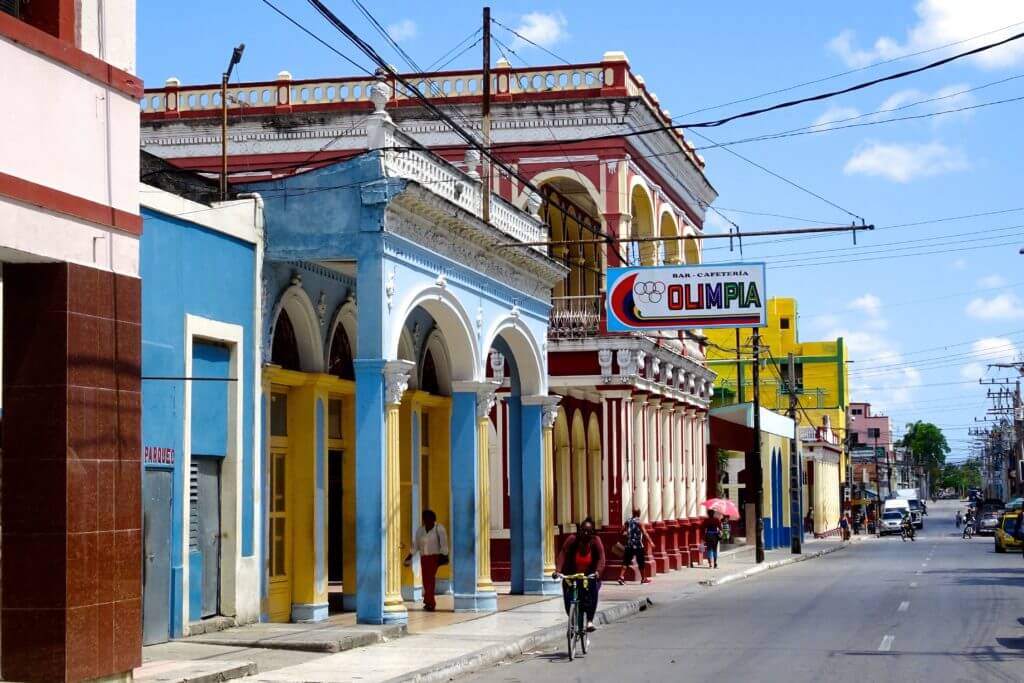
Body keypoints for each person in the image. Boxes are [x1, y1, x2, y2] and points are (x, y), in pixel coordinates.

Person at [555, 516, 606, 632]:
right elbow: (563, 553)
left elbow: (601, 558)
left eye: (588, 531)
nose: (585, 533)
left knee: (592, 594)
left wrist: (598, 572)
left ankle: (589, 621)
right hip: (572, 575)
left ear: (592, 532)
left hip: (589, 576)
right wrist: (558, 571)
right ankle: (572, 619)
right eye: (583, 530)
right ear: (580, 530)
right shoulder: (572, 540)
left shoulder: (595, 541)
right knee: (568, 598)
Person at [404, 509, 448, 612]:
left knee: (430, 580)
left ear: (433, 519)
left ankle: (431, 603)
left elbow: (444, 544)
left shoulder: (439, 529)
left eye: (429, 518)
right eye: (425, 518)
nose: (427, 520)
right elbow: (416, 545)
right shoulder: (420, 531)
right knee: (426, 580)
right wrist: (409, 556)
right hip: (424, 558)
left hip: (435, 557)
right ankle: (428, 601)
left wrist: (444, 555)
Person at [617, 507, 653, 585]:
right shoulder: (639, 522)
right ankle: (643, 578)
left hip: (629, 545)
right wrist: (651, 542)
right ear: (639, 513)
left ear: (633, 513)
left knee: (626, 561)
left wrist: (626, 534)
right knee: (641, 562)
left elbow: (621, 531)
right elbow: (645, 533)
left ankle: (621, 577)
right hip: (638, 546)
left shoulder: (628, 521)